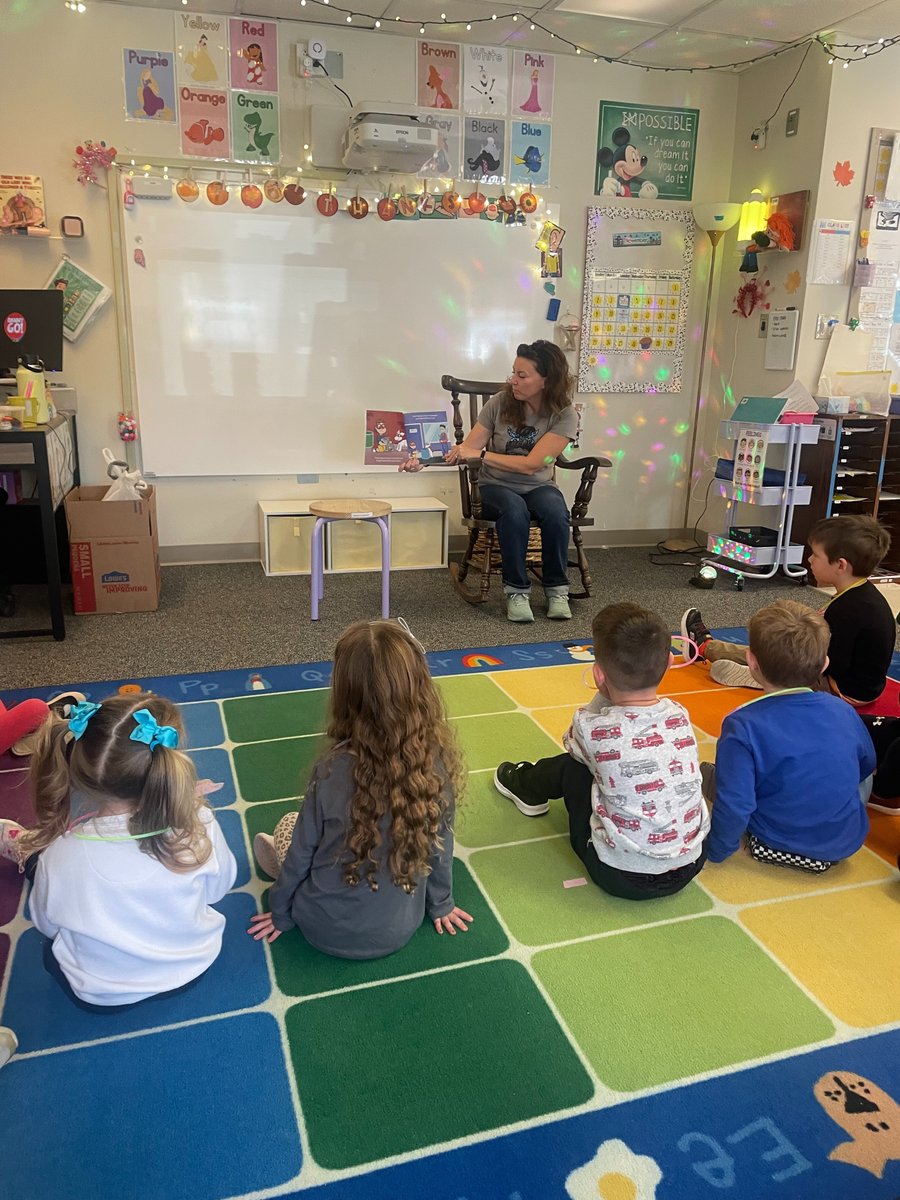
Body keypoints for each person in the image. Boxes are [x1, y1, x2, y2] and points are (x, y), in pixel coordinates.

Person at [248, 619, 472, 958]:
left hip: (319, 925)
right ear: (419, 690)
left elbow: (302, 854)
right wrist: (441, 905)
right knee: (411, 837)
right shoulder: (434, 767)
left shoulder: (331, 769)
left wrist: (280, 912)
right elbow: (441, 848)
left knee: (291, 826)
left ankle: (272, 851)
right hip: (398, 930)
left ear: (344, 694)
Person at [0, 693, 236, 1008]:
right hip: (192, 967)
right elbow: (218, 890)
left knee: (43, 873)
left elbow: (48, 925)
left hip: (101, 994)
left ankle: (26, 850)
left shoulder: (61, 854)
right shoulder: (199, 822)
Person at [494, 602, 710, 900]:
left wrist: (603, 694)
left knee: (575, 766)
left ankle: (525, 785)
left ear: (598, 675)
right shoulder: (679, 714)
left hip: (619, 875)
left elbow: (571, 746)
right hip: (691, 864)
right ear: (669, 664)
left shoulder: (590, 727)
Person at [402, 340, 579, 623]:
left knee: (556, 511)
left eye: (522, 376)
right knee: (514, 508)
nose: (513, 381)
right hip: (494, 486)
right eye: (513, 373)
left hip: (537, 484)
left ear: (547, 380)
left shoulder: (565, 414)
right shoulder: (499, 403)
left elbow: (533, 464)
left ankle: (557, 589)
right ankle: (516, 590)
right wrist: (421, 461)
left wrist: (482, 455)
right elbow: (465, 451)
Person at [702, 601, 873, 871]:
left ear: (751, 662)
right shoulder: (843, 709)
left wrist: (715, 850)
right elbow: (865, 765)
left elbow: (736, 804)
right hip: (845, 843)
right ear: (824, 665)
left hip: (772, 844)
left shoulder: (742, 724)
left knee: (706, 774)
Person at [682, 515, 895, 701]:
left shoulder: (851, 610)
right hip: (858, 685)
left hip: (839, 690)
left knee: (776, 653)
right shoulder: (860, 595)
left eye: (816, 555)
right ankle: (748, 666)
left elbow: (824, 663)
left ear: (841, 565)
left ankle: (714, 652)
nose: (809, 559)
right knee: (779, 646)